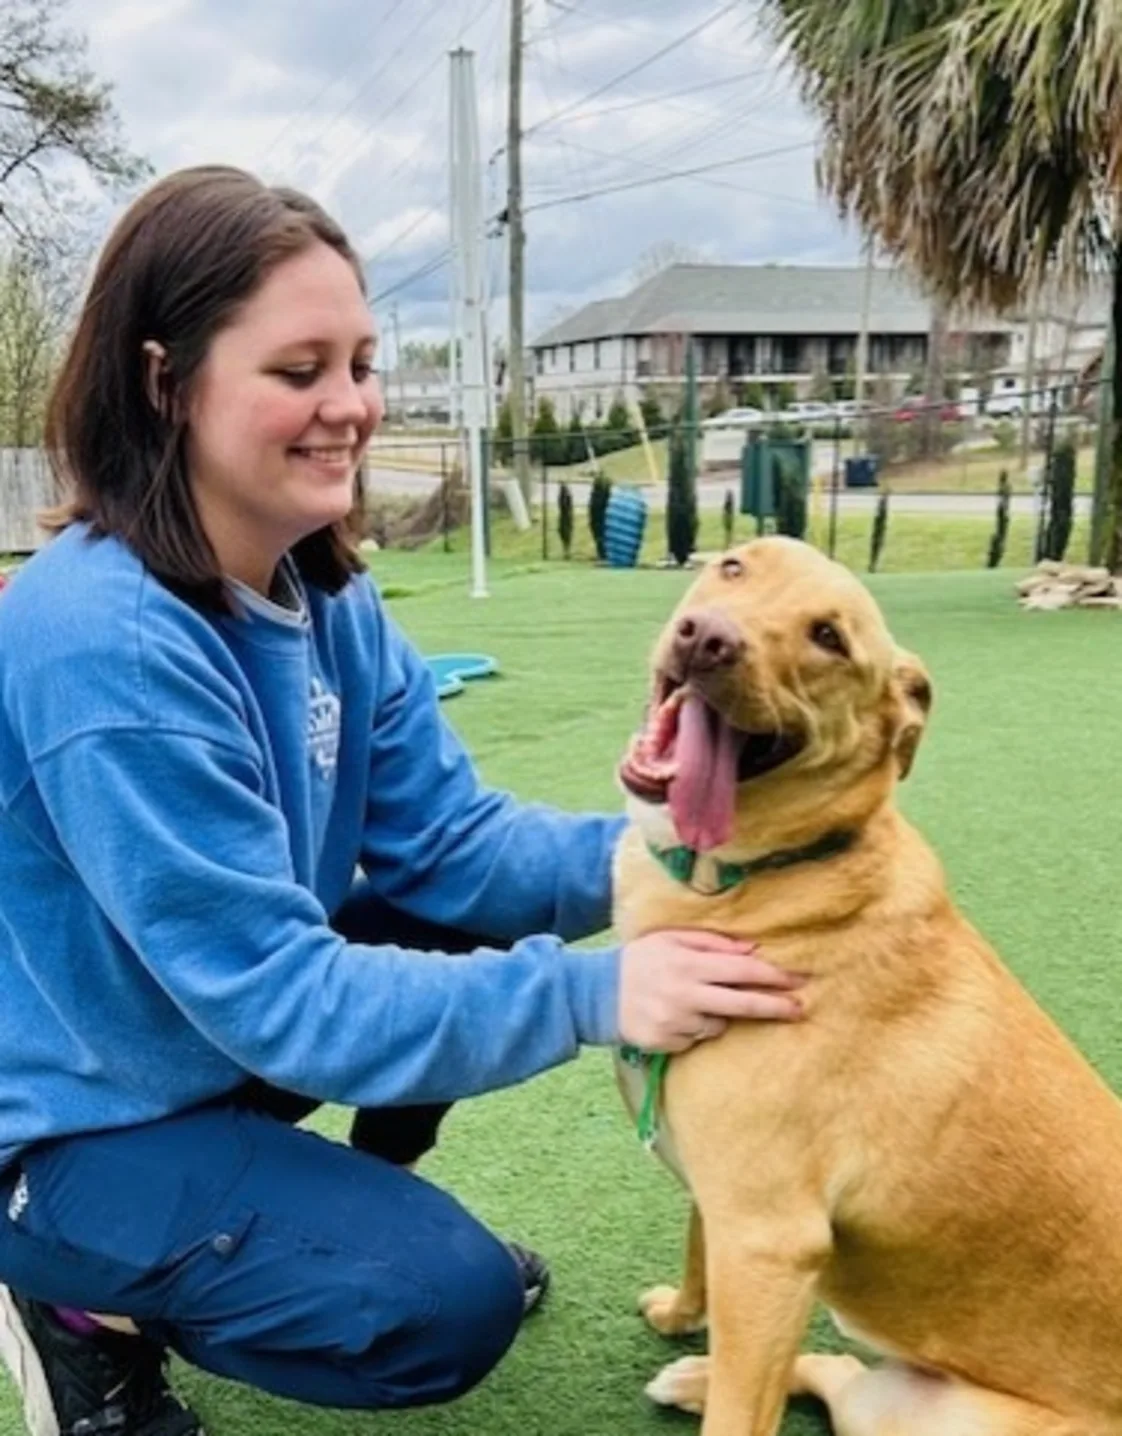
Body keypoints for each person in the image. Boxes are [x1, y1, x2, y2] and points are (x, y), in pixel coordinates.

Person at [0, 166, 805, 1436]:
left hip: (201, 1047)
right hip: (69, 1122)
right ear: (167, 384)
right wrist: (598, 992)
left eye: (363, 362)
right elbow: (278, 995)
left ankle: (304, 1223)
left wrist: (676, 851)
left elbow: (450, 848)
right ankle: (83, 1304)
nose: (351, 408)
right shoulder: (108, 639)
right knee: (437, 1303)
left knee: (446, 920)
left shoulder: (328, 594)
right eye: (299, 370)